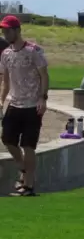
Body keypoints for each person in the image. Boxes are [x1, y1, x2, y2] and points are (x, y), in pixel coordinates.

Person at [0, 15, 49, 197]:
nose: (5, 33)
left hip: (32, 105)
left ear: (17, 30)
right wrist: (2, 99)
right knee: (7, 140)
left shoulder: (33, 51)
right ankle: (23, 169)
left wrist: (43, 98)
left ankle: (28, 186)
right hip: (14, 104)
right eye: (3, 30)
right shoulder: (5, 54)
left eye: (8, 30)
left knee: (28, 145)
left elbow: (44, 75)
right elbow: (6, 79)